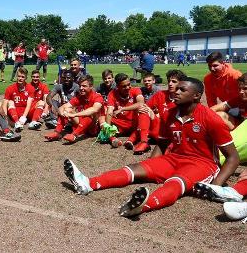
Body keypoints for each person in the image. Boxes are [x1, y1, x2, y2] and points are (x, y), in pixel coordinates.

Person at [64, 77, 240, 218]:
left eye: (182, 90)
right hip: (174, 159)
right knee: (134, 169)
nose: (176, 92)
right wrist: (149, 167)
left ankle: (141, 207)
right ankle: (88, 183)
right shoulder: (169, 114)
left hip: (202, 164)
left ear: (196, 96)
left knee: (175, 183)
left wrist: (216, 186)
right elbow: (163, 144)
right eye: (176, 88)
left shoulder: (211, 118)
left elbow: (233, 157)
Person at [45, 74, 103, 143]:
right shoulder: (80, 97)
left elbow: (94, 109)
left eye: (84, 86)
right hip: (82, 124)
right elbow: (63, 107)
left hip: (94, 127)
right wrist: (63, 113)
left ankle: (74, 135)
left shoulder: (97, 97)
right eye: (80, 86)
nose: (81, 88)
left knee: (90, 114)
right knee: (67, 110)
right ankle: (57, 133)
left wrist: (74, 115)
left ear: (91, 86)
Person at [137, 70, 187, 151]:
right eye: (169, 81)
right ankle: (143, 142)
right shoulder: (161, 94)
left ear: (181, 83)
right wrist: (149, 111)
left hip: (175, 133)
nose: (170, 84)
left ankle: (134, 139)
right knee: (144, 111)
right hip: (160, 130)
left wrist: (153, 114)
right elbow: (146, 107)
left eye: (174, 82)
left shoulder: (186, 97)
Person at [105, 73, 150, 153]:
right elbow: (109, 111)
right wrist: (108, 127)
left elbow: (141, 103)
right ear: (118, 87)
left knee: (143, 110)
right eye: (124, 86)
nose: (128, 87)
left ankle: (132, 141)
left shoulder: (136, 90)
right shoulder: (112, 93)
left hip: (134, 124)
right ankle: (112, 138)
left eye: (129, 84)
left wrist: (122, 109)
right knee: (102, 117)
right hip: (120, 124)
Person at [2, 67, 35, 132]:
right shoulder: (10, 88)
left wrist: (24, 117)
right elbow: (5, 104)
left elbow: (29, 105)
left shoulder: (30, 88)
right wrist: (5, 117)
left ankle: (34, 122)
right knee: (10, 102)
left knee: (40, 102)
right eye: (19, 76)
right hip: (14, 112)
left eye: (22, 77)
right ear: (16, 76)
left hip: (25, 113)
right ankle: (17, 122)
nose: (20, 78)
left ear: (26, 78)